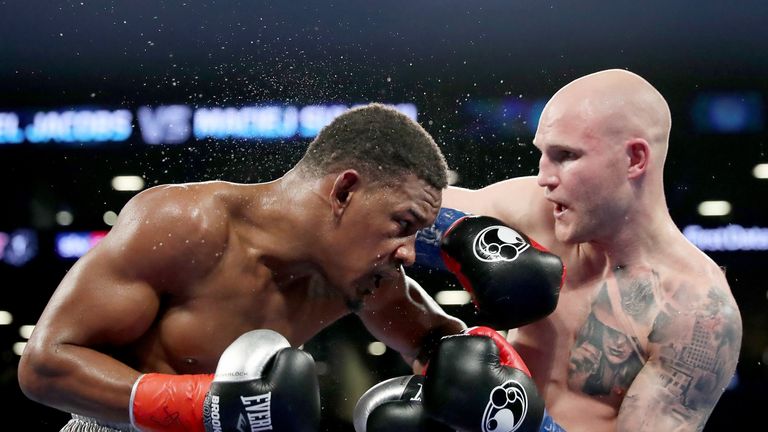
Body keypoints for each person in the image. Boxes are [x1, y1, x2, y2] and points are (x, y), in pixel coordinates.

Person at [17, 103, 467, 431]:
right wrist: (204, 406)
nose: (408, 252)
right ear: (345, 192)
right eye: (403, 224)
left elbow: (450, 354)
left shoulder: (363, 276)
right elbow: (43, 366)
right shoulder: (186, 224)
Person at [430, 69, 743, 431]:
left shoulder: (695, 314)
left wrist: (523, 426)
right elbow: (396, 215)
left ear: (635, 159)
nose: (545, 177)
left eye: (565, 155)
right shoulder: (535, 211)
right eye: (543, 154)